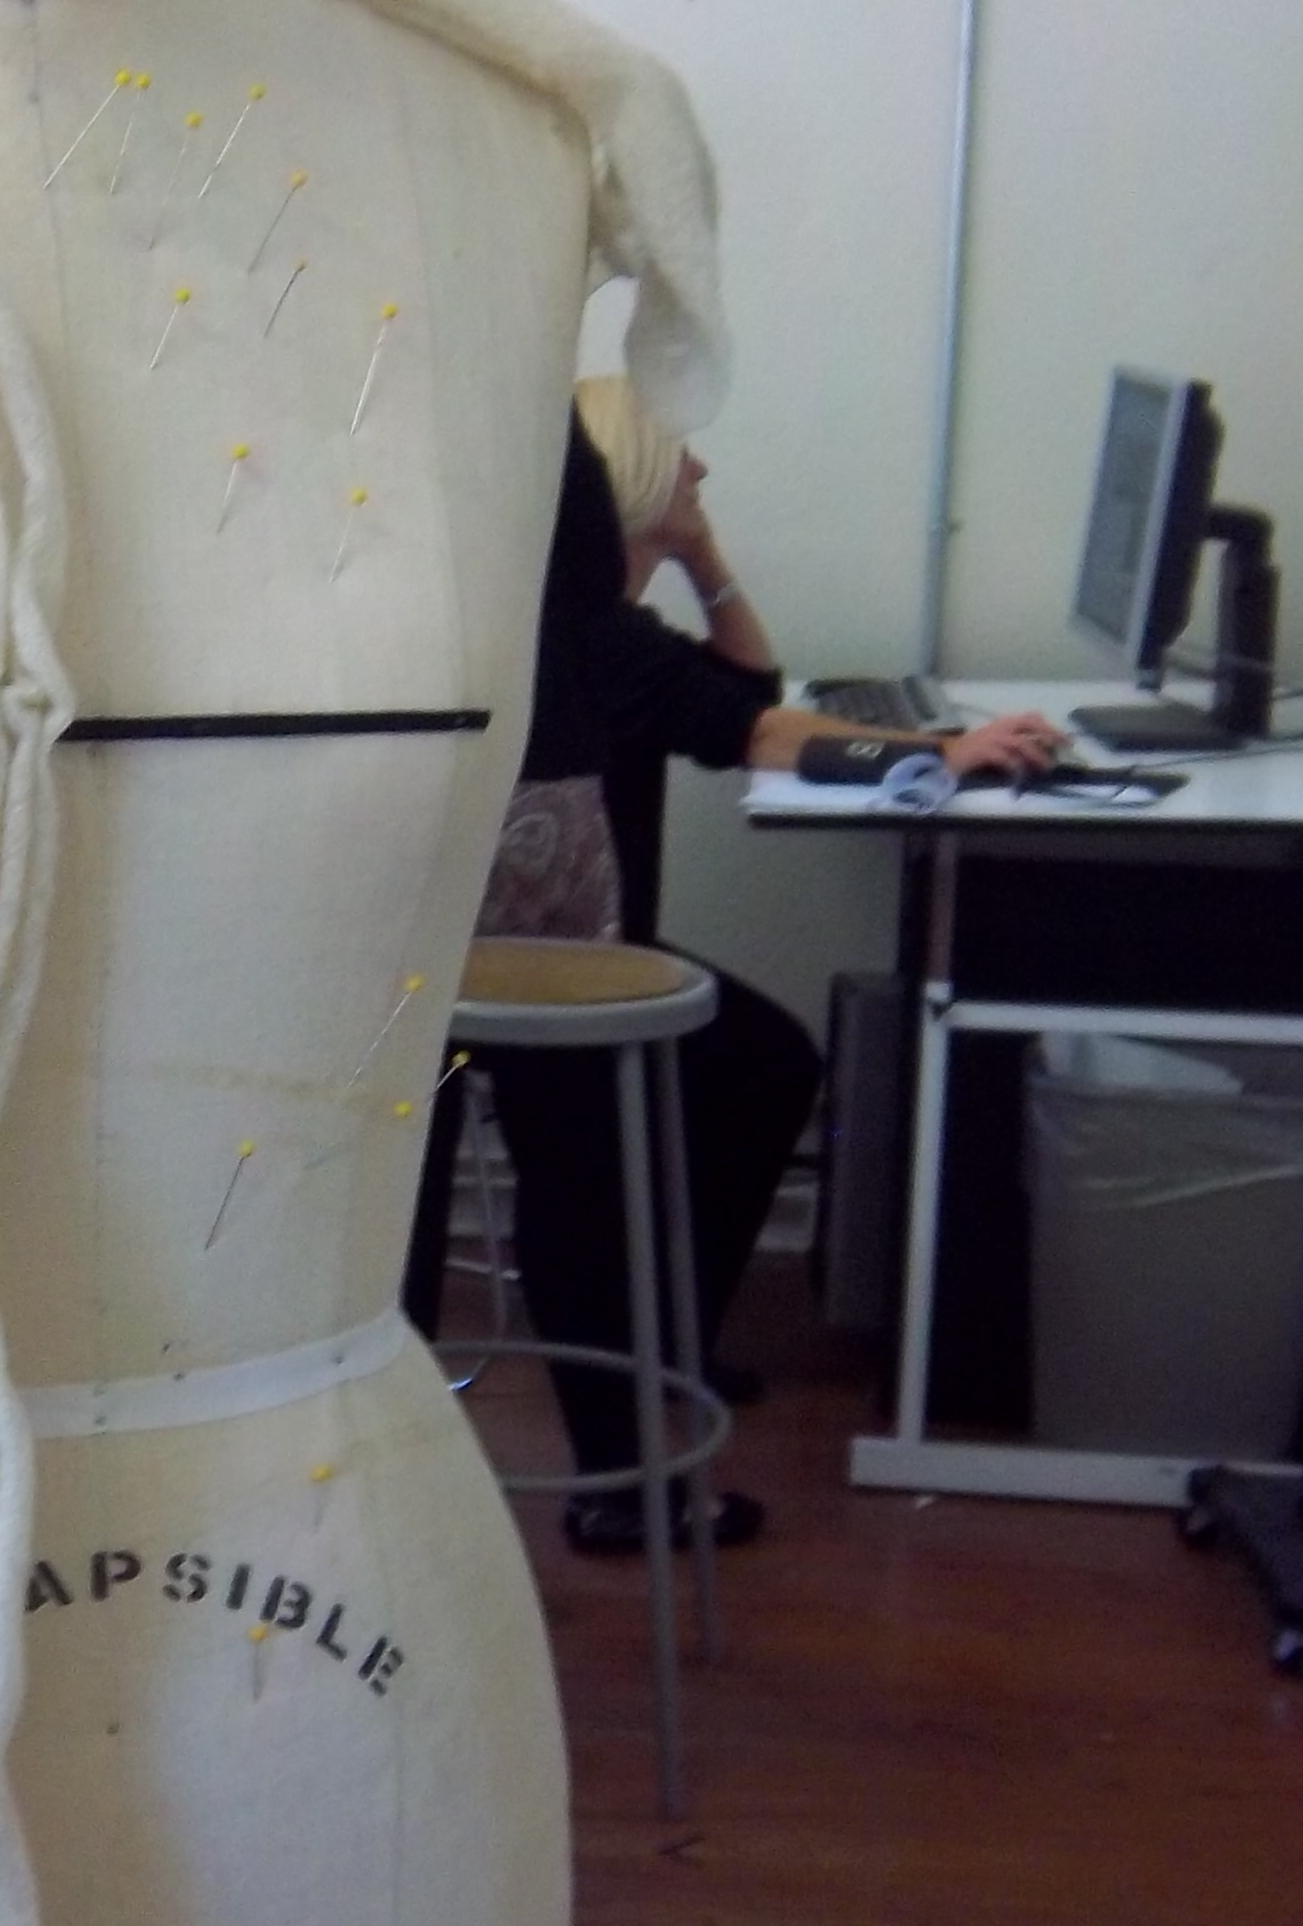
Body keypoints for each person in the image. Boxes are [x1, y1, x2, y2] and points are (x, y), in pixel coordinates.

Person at [405, 385, 1057, 1550]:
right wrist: (940, 751)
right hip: (558, 977)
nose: (701, 471)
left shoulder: (514, 626)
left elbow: (746, 702)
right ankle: (626, 1464)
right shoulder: (594, 638)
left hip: (432, 972)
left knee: (732, 1071)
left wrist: (702, 556)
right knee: (615, 1145)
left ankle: (569, 1401)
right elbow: (759, 726)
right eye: (681, 463)